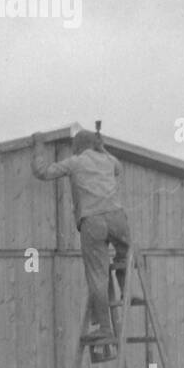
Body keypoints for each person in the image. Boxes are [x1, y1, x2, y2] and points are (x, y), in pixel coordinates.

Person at [31, 129, 131, 343]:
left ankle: (105, 327)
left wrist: (39, 144)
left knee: (97, 275)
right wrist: (102, 148)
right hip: (117, 217)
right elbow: (119, 168)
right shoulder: (107, 159)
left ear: (77, 146)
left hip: (92, 220)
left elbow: (42, 172)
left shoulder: (75, 162)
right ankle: (126, 291)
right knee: (126, 256)